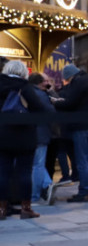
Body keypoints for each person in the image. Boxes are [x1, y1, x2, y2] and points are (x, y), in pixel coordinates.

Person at [0, 60, 54, 219]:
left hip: (2, 135)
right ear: (24, 71)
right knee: (25, 172)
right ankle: (26, 208)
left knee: (2, 172)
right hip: (24, 135)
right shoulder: (25, 87)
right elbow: (40, 110)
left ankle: (2, 209)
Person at [54, 64, 88, 203]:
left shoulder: (78, 82)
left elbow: (70, 103)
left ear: (70, 76)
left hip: (81, 125)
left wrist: (55, 102)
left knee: (82, 160)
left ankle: (84, 191)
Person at [26, 72, 56, 205]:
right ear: (38, 82)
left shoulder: (26, 92)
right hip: (41, 132)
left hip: (29, 132)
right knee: (38, 164)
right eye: (44, 81)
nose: (47, 83)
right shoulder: (40, 95)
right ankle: (36, 194)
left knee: (35, 163)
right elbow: (51, 112)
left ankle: (47, 184)